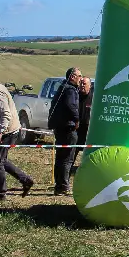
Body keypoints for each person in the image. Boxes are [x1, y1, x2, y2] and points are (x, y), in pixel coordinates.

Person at [0, 70, 34, 201]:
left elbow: (6, 114)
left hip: (8, 132)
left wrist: (0, 132)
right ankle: (26, 180)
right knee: (1, 160)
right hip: (8, 131)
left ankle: (1, 193)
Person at [48, 67, 81, 195]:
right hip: (68, 128)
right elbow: (70, 105)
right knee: (67, 158)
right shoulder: (70, 90)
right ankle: (64, 186)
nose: (80, 79)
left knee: (60, 157)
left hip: (59, 128)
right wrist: (77, 119)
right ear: (72, 77)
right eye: (79, 76)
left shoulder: (62, 88)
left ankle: (59, 185)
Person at [74, 76, 93, 166]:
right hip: (76, 130)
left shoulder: (94, 98)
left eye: (84, 84)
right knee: (72, 153)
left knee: (89, 156)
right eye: (81, 83)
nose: (82, 85)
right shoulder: (75, 96)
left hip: (89, 132)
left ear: (90, 85)